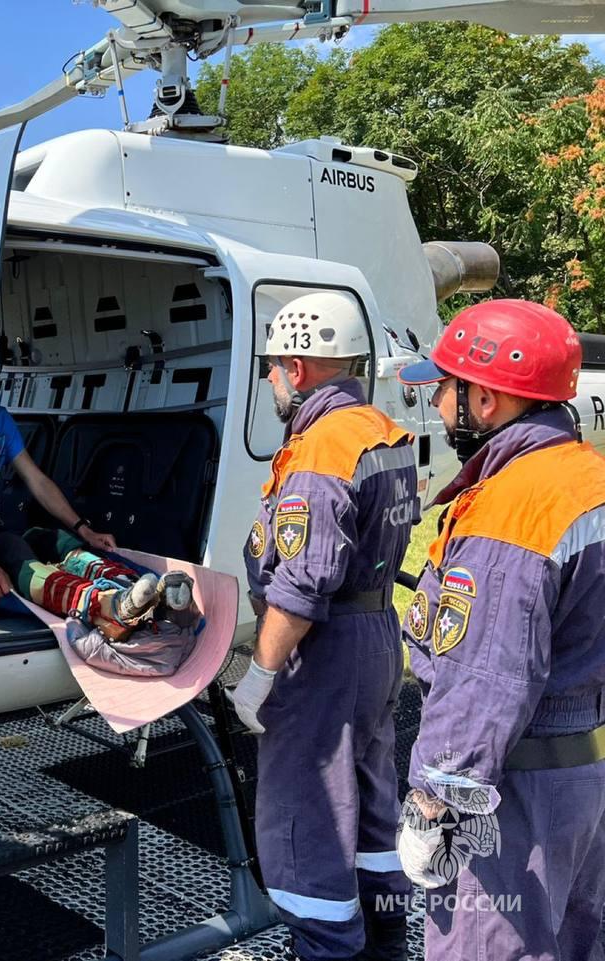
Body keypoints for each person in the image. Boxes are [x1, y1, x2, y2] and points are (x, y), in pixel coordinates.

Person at [395, 300, 605, 960]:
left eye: (446, 386)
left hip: (514, 795)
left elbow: (483, 682)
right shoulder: (587, 476)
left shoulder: (512, 508)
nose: (436, 401)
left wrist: (434, 807)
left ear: (484, 399)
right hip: (584, 776)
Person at [230, 290, 417, 961]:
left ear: (298, 368)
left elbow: (304, 581)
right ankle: (386, 944)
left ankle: (327, 945)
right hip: (374, 641)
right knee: (370, 805)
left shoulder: (320, 449)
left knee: (308, 819)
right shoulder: (378, 429)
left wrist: (259, 677)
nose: (272, 381)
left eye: (274, 368)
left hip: (326, 653)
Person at [0, 392, 172, 638]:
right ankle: (104, 606)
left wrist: (83, 529)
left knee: (46, 538)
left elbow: (37, 481)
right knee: (14, 550)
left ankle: (132, 584)